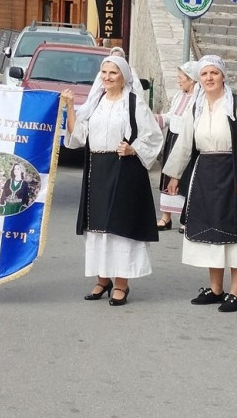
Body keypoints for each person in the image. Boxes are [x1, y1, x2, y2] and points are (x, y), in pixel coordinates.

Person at [163, 55, 237, 313]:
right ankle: (216, 289)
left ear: (223, 76)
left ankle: (236, 293)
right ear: (199, 79)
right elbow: (186, 143)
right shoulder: (196, 107)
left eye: (214, 73)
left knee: (236, 233)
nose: (209, 78)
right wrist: (175, 175)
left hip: (234, 173)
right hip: (205, 175)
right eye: (204, 74)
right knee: (211, 231)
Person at [60, 56, 163, 306]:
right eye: (104, 72)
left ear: (124, 76)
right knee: (98, 228)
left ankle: (121, 284)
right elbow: (79, 136)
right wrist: (71, 108)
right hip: (97, 169)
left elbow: (153, 136)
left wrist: (133, 149)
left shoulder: (133, 102)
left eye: (113, 73)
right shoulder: (95, 102)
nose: (107, 77)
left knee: (120, 228)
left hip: (124, 170)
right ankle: (102, 279)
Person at [155, 61, 199, 231]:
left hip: (187, 142)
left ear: (192, 80)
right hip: (172, 139)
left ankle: (185, 219)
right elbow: (171, 117)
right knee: (168, 177)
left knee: (185, 179)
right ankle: (166, 218)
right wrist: (155, 119)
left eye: (181, 78)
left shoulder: (198, 100)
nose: (178, 81)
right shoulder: (179, 96)